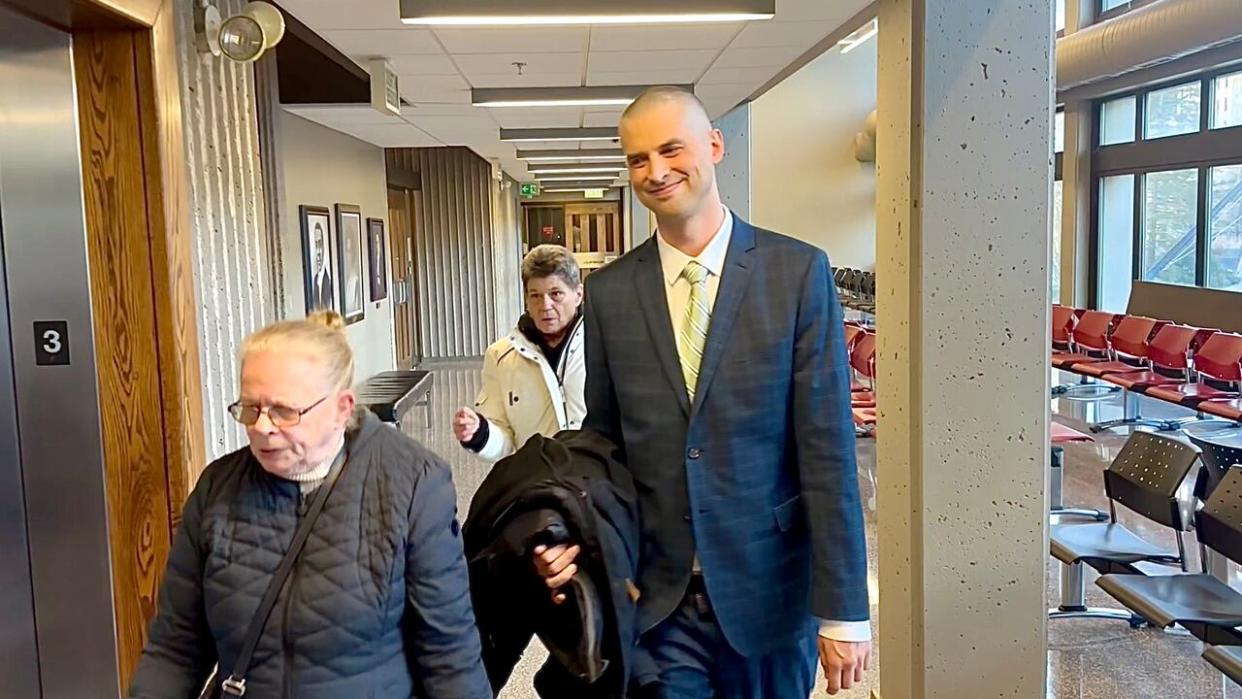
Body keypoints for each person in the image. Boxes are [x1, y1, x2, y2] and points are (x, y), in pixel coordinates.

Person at [534, 86, 871, 697]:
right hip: (657, 598)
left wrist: (845, 608)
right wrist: (569, 534)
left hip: (768, 595)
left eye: (671, 150)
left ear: (714, 145)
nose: (656, 172)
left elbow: (826, 448)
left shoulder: (795, 273)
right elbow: (603, 447)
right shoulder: (610, 293)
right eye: (638, 159)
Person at [129, 311, 491, 699]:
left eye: (284, 411)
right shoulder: (218, 489)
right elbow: (175, 648)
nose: (262, 427)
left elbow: (449, 656)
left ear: (341, 407)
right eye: (250, 408)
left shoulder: (413, 483)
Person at [453, 244, 586, 462]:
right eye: (535, 296)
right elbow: (503, 439)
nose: (545, 305)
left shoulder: (605, 346)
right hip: (539, 482)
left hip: (599, 483)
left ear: (578, 294)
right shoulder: (501, 357)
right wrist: (480, 433)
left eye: (556, 294)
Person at [312, 222, 333, 311]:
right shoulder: (313, 281)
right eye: (316, 244)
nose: (318, 252)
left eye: (320, 244)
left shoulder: (327, 280)